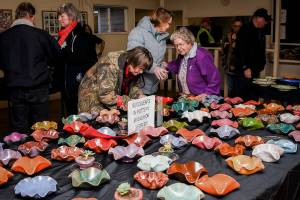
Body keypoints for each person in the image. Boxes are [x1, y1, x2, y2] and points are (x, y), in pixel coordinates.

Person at [0, 2, 60, 132]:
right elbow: (56, 56)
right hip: (38, 88)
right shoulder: (41, 35)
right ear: (32, 16)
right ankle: (40, 151)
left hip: (15, 89)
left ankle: (20, 150)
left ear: (17, 16)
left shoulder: (3, 37)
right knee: (40, 127)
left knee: (19, 128)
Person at [78, 47, 153, 114]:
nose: (141, 72)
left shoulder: (132, 64)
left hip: (109, 94)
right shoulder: (110, 64)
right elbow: (106, 95)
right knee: (90, 124)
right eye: (140, 68)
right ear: (132, 60)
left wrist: (139, 95)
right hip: (91, 93)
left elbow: (133, 85)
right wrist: (129, 102)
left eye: (143, 70)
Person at [57, 3, 98, 115]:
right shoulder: (62, 34)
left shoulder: (81, 35)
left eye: (62, 16)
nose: (59, 19)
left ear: (71, 16)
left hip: (78, 83)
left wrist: (61, 53)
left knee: (80, 115)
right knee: (70, 114)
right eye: (58, 16)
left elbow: (87, 59)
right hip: (66, 82)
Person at [127, 7, 172, 95]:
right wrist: (154, 68)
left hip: (153, 85)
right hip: (138, 85)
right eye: (169, 23)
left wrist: (162, 67)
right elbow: (135, 57)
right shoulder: (137, 32)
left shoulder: (162, 37)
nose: (169, 26)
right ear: (161, 21)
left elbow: (158, 58)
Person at [166, 27, 221, 96]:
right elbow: (177, 65)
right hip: (187, 98)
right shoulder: (182, 55)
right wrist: (165, 65)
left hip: (202, 100)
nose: (178, 48)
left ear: (189, 42)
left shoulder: (202, 56)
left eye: (181, 44)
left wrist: (204, 95)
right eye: (176, 45)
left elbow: (214, 80)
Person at [232, 8, 271, 99]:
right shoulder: (245, 30)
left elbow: (260, 49)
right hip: (245, 71)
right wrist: (245, 67)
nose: (266, 23)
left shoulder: (260, 31)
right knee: (242, 98)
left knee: (253, 97)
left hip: (255, 70)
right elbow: (240, 51)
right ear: (258, 18)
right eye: (265, 20)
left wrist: (262, 63)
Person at [223, 17, 243, 97]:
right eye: (235, 26)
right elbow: (224, 50)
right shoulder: (228, 36)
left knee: (240, 91)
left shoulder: (245, 37)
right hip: (229, 68)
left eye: (239, 26)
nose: (237, 28)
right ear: (232, 26)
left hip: (240, 69)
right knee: (231, 90)